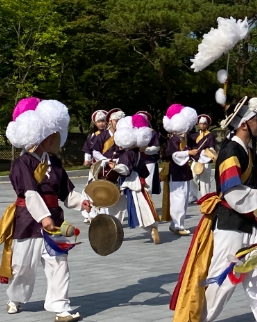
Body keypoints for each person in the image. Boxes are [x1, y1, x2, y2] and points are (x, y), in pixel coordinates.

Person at [169, 96, 257, 322]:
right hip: (230, 226)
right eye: (255, 120)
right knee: (221, 283)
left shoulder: (249, 152)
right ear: (244, 124)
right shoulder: (230, 151)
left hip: (250, 226)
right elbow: (232, 191)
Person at [2, 97, 92, 321]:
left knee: (59, 263)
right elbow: (30, 193)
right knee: (23, 267)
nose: (55, 138)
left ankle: (60, 306)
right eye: (51, 134)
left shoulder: (55, 163)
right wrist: (43, 217)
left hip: (55, 224)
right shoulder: (22, 163)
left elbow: (66, 192)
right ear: (39, 135)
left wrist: (80, 201)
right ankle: (15, 298)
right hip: (28, 221)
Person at [110, 114, 161, 245]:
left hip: (127, 182)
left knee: (118, 207)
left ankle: (114, 231)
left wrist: (115, 167)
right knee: (141, 207)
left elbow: (125, 170)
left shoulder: (126, 154)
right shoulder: (138, 153)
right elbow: (144, 171)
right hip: (138, 182)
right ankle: (152, 228)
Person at [163, 104, 198, 236]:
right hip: (176, 172)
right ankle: (177, 225)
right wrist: (189, 153)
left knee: (183, 198)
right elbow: (174, 155)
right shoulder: (174, 139)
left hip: (184, 172)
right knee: (178, 198)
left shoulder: (185, 139)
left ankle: (178, 224)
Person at [80, 109, 107, 223]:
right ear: (95, 123)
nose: (101, 124)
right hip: (96, 166)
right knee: (90, 188)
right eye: (98, 122)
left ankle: (104, 214)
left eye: (103, 121)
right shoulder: (93, 136)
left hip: (108, 166)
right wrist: (87, 159)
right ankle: (89, 213)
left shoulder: (112, 135)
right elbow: (88, 149)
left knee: (105, 190)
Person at [189, 114, 217, 201]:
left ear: (207, 125)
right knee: (192, 177)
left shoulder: (210, 136)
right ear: (198, 124)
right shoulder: (194, 135)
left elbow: (211, 148)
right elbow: (190, 147)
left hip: (206, 160)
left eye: (204, 124)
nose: (202, 125)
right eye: (201, 123)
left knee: (204, 180)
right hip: (196, 159)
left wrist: (205, 152)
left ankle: (205, 197)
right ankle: (193, 196)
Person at [136, 111, 161, 195]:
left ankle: (148, 202)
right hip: (136, 161)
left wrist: (145, 150)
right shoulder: (133, 132)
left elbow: (156, 147)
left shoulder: (152, 132)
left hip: (148, 160)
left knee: (148, 184)